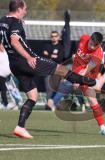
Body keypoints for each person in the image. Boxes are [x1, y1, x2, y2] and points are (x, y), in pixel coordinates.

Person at [0, 0, 96, 139]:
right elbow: (14, 40)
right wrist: (28, 57)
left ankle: (20, 127)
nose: (26, 12)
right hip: (27, 61)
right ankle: (84, 80)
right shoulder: (15, 22)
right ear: (19, 9)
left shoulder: (3, 21)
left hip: (14, 65)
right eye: (25, 9)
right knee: (60, 68)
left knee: (33, 96)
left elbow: (8, 36)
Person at [72, 32, 105, 136]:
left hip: (87, 74)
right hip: (76, 70)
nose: (91, 46)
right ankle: (103, 128)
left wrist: (77, 80)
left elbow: (86, 70)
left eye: (94, 45)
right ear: (89, 39)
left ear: (99, 45)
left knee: (93, 101)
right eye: (90, 43)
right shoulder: (83, 38)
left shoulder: (98, 55)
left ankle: (102, 129)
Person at [43, 31, 64, 109]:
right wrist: (52, 56)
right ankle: (48, 105)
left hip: (57, 70)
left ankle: (55, 104)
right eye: (52, 36)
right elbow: (43, 56)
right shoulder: (47, 45)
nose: (54, 37)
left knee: (56, 87)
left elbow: (59, 58)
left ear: (58, 37)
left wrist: (49, 55)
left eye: (55, 36)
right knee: (49, 88)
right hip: (48, 70)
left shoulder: (61, 47)